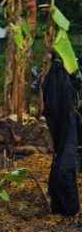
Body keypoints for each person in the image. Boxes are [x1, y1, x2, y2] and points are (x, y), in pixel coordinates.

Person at [40, 52, 79, 216]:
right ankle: (67, 209)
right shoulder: (60, 77)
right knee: (62, 167)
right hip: (67, 123)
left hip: (66, 124)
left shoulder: (54, 78)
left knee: (62, 166)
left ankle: (68, 208)